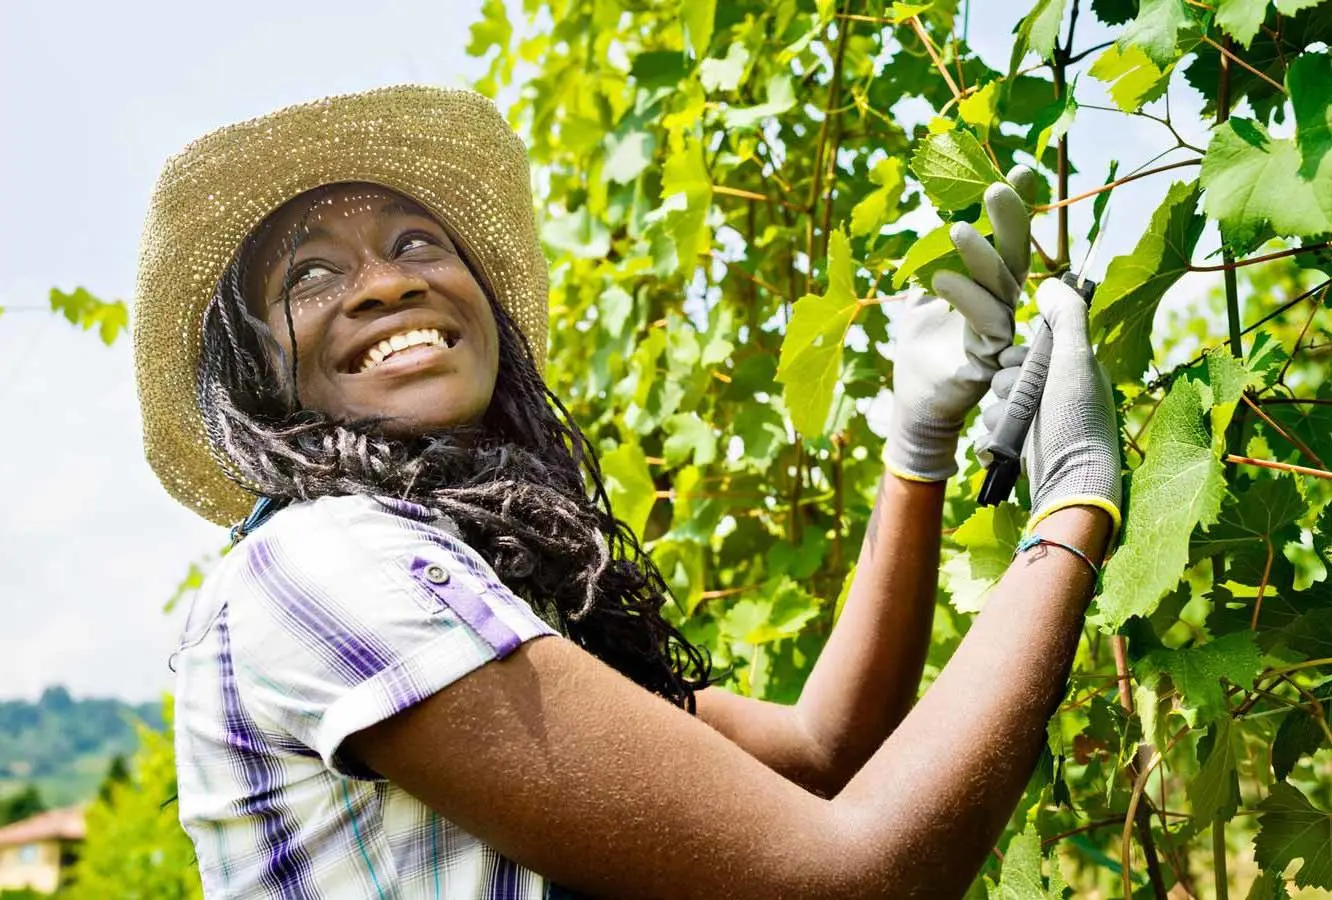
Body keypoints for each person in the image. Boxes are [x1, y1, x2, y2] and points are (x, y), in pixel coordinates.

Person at [134, 86, 1121, 899]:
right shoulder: (326, 563)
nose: (387, 284)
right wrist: (1073, 510)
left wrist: (917, 451)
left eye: (418, 243)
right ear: (259, 373)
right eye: (310, 272)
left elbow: (826, 749)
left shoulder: (456, 581)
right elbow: (851, 881)